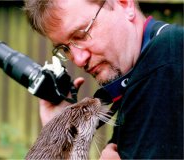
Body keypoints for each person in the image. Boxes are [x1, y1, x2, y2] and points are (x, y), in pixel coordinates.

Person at [24, 0, 183, 159]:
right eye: (65, 49)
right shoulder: (138, 71)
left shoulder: (165, 58)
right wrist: (60, 135)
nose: (79, 60)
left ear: (125, 4)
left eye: (81, 35)